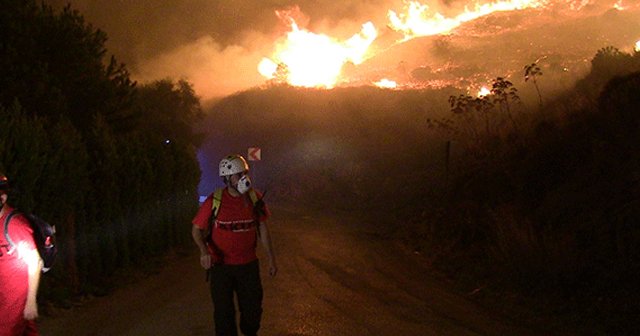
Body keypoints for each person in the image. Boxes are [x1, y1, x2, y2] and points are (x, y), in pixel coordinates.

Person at [192, 155, 277, 336]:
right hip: (221, 268)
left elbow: (262, 227)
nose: (244, 178)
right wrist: (203, 251)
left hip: (248, 266)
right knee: (223, 315)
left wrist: (271, 259)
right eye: (238, 175)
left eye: (244, 173)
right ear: (227, 178)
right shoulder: (215, 201)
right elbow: (196, 230)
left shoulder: (254, 198)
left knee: (253, 312)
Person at [0, 174, 42, 336]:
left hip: (14, 303)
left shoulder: (15, 225)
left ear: (2, 197)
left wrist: (31, 301)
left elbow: (34, 261)